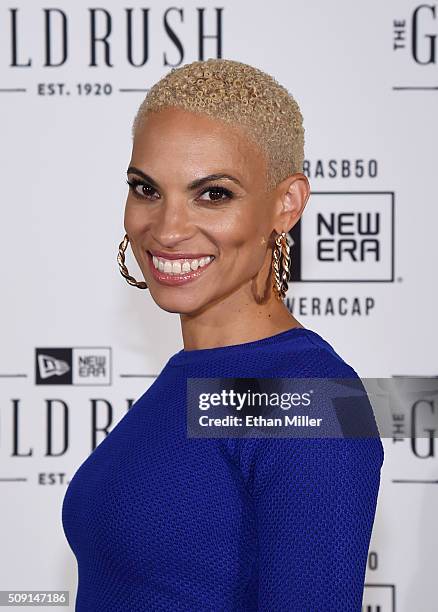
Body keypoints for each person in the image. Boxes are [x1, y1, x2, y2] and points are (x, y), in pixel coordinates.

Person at [62, 58, 384, 611]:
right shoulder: (194, 377)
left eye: (213, 194)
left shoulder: (306, 396)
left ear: (286, 204)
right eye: (147, 189)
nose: (166, 229)